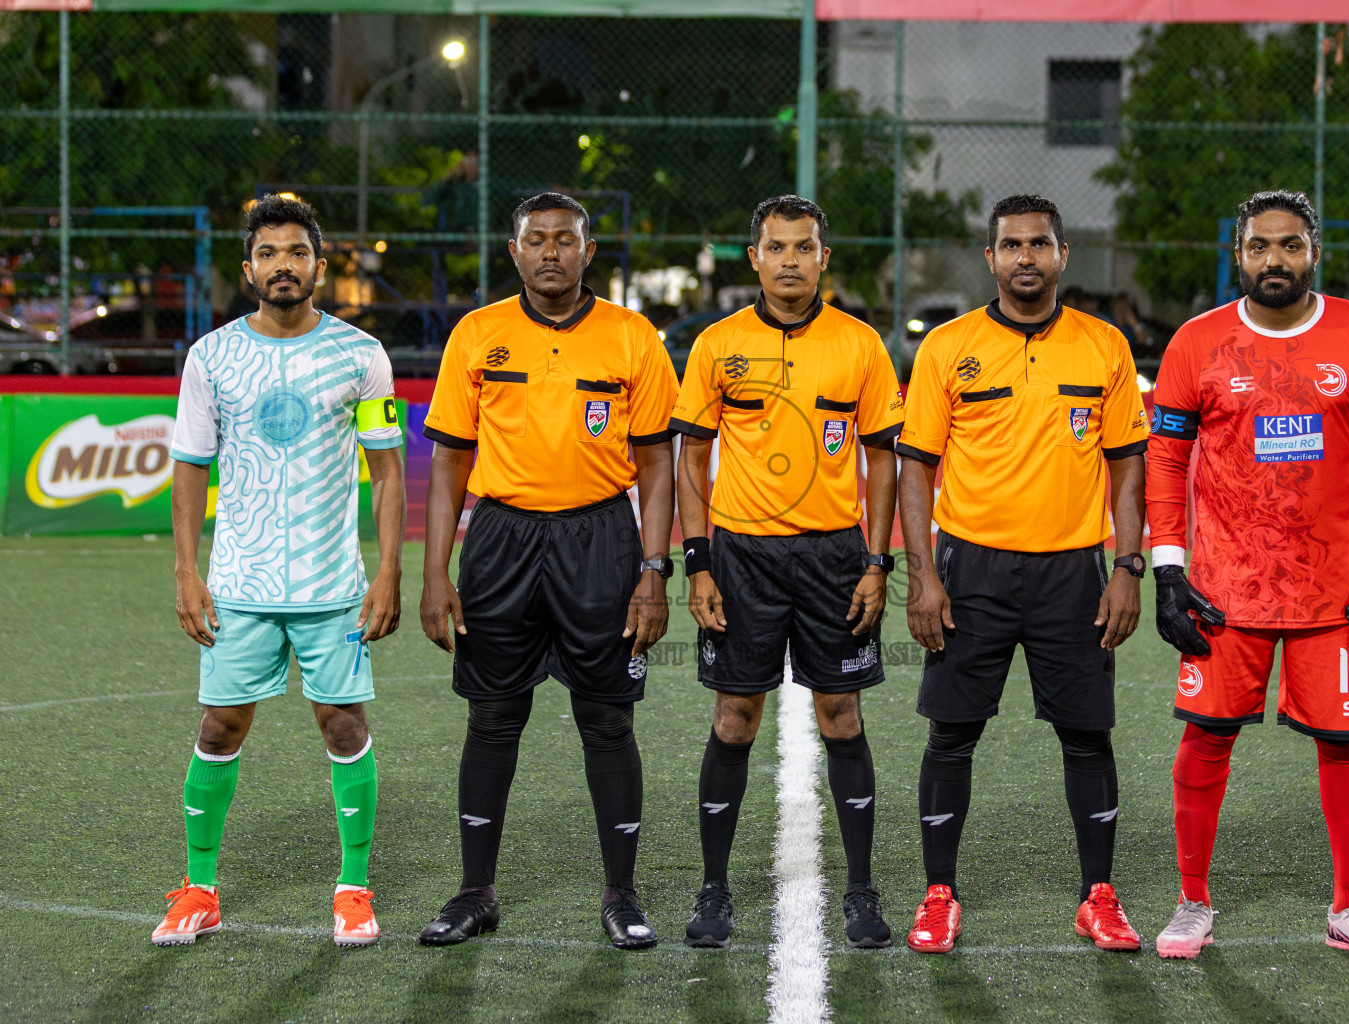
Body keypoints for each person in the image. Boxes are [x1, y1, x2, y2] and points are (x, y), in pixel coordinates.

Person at [1146, 189, 1349, 964]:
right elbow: (1166, 460)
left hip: (1336, 594)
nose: (1276, 260)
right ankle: (1192, 901)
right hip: (1224, 592)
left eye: (1290, 245)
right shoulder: (1196, 344)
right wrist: (1169, 568)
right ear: (1239, 255)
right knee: (1206, 736)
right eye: (1260, 246)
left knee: (1344, 742)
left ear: (1314, 251)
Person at [416, 192, 678, 950]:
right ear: (515, 252)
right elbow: (450, 463)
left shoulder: (633, 338)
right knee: (493, 716)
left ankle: (622, 892)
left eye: (566, 239)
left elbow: (657, 467)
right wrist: (437, 574)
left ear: (588, 251)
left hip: (601, 538)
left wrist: (653, 570)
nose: (552, 252)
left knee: (606, 717)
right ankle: (474, 892)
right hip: (500, 540)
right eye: (537, 240)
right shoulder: (478, 333)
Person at [897, 193, 1149, 955]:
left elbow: (1129, 468)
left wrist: (1127, 565)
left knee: (1086, 737)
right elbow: (915, 469)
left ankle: (1097, 898)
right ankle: (940, 894)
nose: (1026, 258)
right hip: (969, 569)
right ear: (992, 259)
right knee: (952, 736)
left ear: (1062, 255)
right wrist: (923, 575)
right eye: (1012, 246)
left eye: (1040, 244)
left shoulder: (1106, 345)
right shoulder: (948, 346)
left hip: (1074, 571)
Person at [156, 194, 405, 947]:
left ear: (320, 267)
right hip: (241, 583)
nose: (283, 265)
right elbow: (191, 468)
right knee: (220, 724)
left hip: (332, 586)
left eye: (297, 252)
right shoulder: (212, 357)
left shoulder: (361, 355)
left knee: (343, 723)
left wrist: (389, 570)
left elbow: (388, 473)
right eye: (268, 254)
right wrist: (185, 572)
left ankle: (353, 890)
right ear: (248, 268)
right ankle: (200, 889)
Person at [670, 195, 904, 949]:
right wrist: (697, 563)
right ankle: (712, 891)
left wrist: (878, 560)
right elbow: (692, 458)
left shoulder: (861, 345)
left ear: (824, 258)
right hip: (741, 557)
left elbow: (883, 458)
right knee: (734, 718)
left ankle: (862, 892)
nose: (791, 261)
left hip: (835, 554)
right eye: (777, 248)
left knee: (842, 715)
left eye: (804, 248)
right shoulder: (716, 344)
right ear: (755, 258)